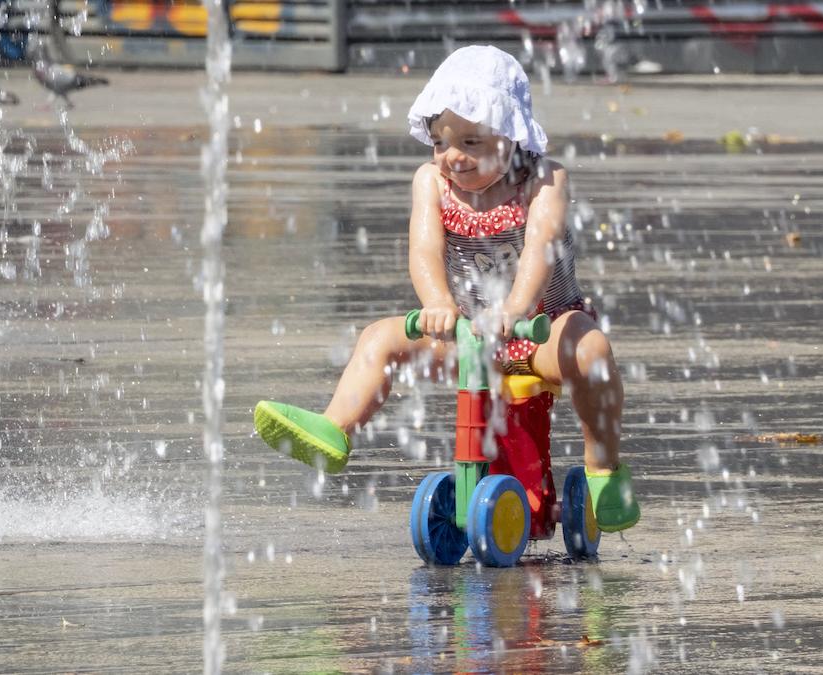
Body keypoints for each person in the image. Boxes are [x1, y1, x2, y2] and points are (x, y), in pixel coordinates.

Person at [253, 45, 639, 533]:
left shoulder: (543, 180)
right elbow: (424, 250)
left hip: (541, 331)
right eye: (440, 141)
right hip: (470, 336)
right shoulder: (431, 182)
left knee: (592, 350)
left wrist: (516, 308)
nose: (452, 157)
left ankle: (604, 470)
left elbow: (541, 245)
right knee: (380, 339)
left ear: (512, 135)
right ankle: (335, 430)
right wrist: (437, 303)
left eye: (471, 142)